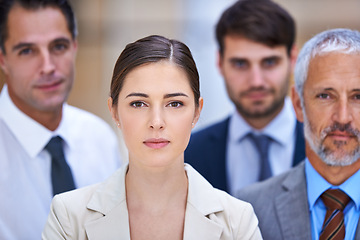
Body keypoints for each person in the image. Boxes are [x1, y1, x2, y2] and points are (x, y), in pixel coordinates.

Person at [42, 35, 262, 240]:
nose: (156, 121)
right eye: (138, 103)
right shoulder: (69, 217)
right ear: (114, 111)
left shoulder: (238, 221)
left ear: (196, 111)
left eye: (174, 103)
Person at [0, 0, 121, 239]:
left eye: (58, 46)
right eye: (27, 51)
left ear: (74, 47)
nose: (47, 66)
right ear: (3, 59)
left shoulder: (100, 137)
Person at [237, 28, 360, 240]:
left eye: (358, 97)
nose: (343, 117)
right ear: (298, 104)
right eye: (325, 96)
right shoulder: (249, 208)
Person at [184, 0, 305, 195]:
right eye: (240, 64)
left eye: (270, 62)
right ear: (219, 62)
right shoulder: (188, 155)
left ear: (292, 59)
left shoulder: (325, 146)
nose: (256, 81)